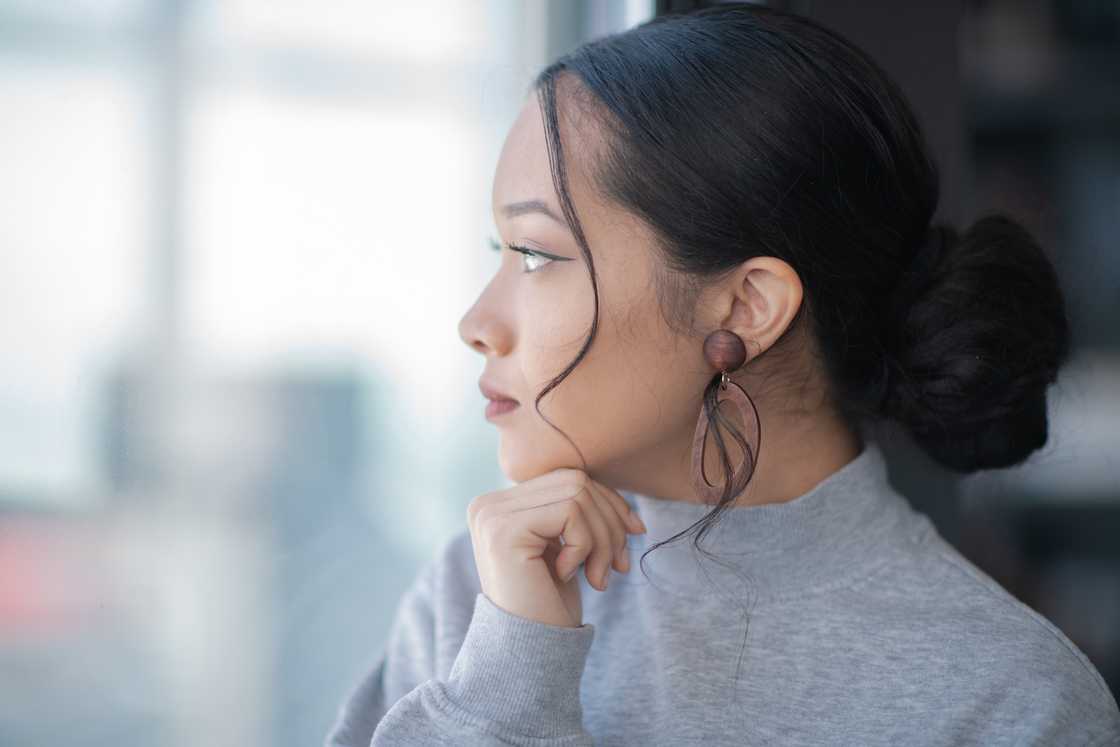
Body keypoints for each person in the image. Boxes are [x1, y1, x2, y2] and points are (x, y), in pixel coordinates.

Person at [325, 4, 1120, 745]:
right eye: (500, 254)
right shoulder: (482, 599)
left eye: (536, 255)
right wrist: (508, 682)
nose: (475, 323)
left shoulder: (1010, 700)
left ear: (745, 306)